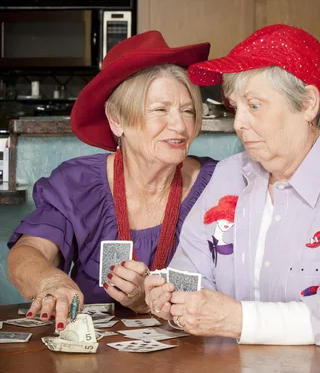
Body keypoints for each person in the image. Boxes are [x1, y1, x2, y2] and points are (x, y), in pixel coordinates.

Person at [145, 24, 320, 348]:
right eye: (236, 108)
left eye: (254, 106)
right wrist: (169, 297)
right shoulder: (226, 176)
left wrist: (241, 321)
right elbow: (190, 269)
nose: (238, 123)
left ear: (307, 104)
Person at [7, 31, 217, 330]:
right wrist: (51, 280)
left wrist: (153, 302)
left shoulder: (219, 184)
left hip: (194, 359)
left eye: (188, 111)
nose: (180, 125)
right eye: (160, 110)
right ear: (117, 119)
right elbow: (28, 252)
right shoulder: (77, 183)